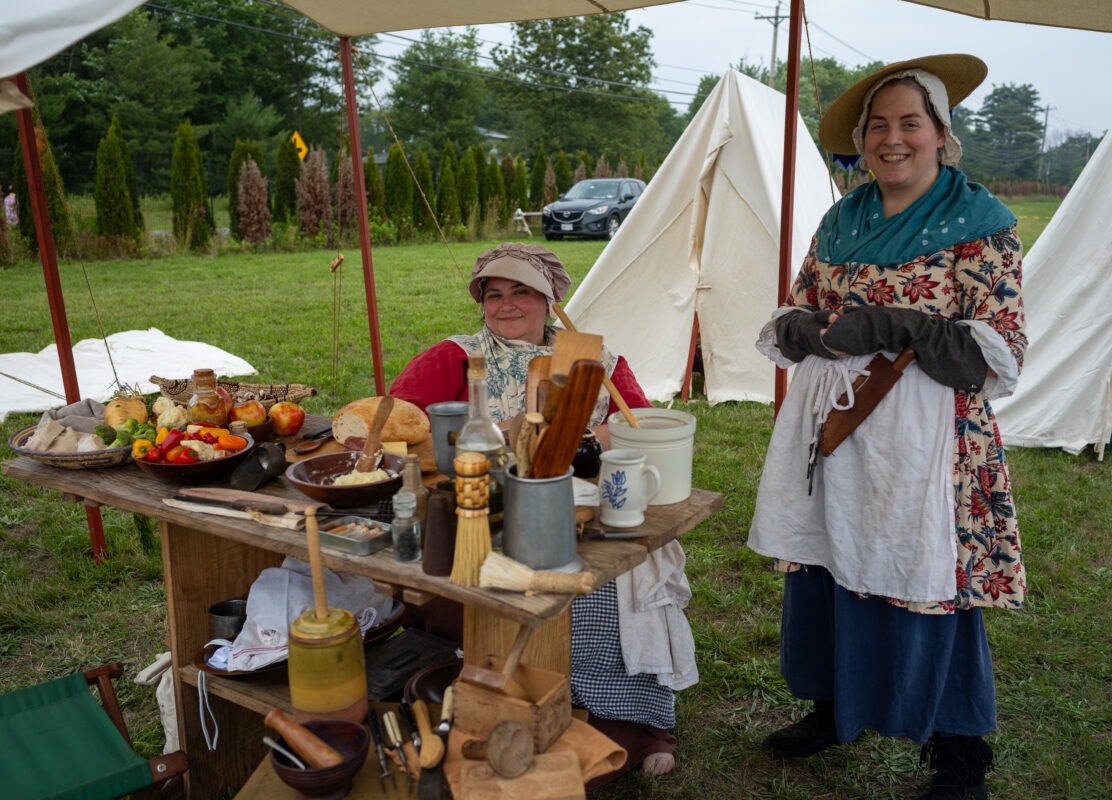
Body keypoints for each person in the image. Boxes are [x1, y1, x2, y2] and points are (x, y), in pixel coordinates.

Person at [747, 54, 1027, 800]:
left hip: (929, 444)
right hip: (839, 431)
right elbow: (798, 303)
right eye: (879, 127)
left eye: (911, 124)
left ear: (942, 135)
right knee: (829, 560)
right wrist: (805, 328)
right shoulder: (843, 217)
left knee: (926, 582)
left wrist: (899, 324)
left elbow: (996, 355)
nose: (892, 140)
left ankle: (959, 753)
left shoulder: (982, 226)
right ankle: (832, 707)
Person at [391, 242, 688, 781]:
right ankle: (484, 702)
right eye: (493, 294)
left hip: (584, 510)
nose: (505, 306)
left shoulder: (592, 357)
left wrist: (581, 438)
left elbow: (638, 426)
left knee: (608, 587)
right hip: (481, 511)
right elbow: (396, 423)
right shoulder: (455, 356)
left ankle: (628, 727)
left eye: (522, 293)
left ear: (549, 300)